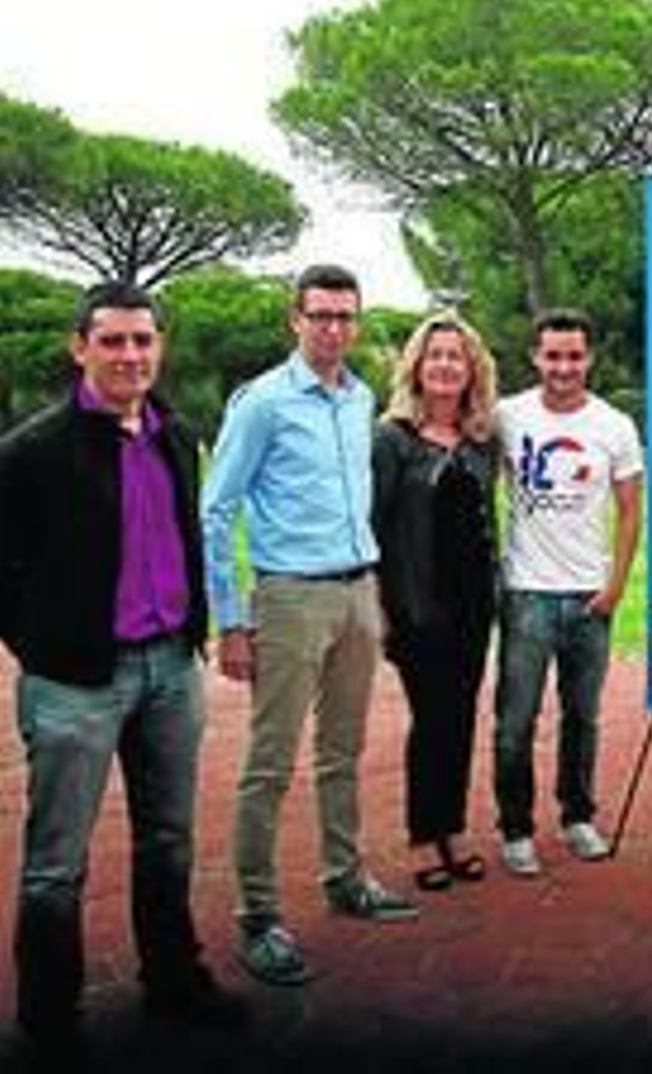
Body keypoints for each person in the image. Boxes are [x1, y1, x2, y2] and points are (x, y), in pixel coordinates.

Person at [0, 282, 246, 1054]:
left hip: (172, 669)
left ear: (159, 346)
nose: (130, 355)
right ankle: (49, 1019)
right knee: (55, 866)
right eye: (112, 341)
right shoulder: (30, 452)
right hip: (77, 682)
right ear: (80, 348)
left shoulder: (177, 435)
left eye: (143, 340)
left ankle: (173, 983)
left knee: (168, 839)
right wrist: (41, 647)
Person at [202, 263, 418, 989]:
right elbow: (215, 511)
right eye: (320, 315)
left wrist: (375, 593)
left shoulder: (360, 400)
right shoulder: (262, 403)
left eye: (345, 316)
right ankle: (258, 917)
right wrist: (231, 620)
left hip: (357, 592)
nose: (333, 328)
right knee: (271, 762)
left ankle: (345, 878)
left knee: (343, 750)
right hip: (289, 598)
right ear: (294, 319)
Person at [493, 307, 642, 874]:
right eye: (553, 355)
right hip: (526, 592)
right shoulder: (508, 415)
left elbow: (630, 512)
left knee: (582, 717)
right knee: (515, 723)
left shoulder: (614, 426)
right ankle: (516, 830)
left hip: (589, 596)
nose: (563, 367)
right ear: (535, 357)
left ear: (590, 358)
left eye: (574, 355)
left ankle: (577, 816)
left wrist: (615, 585)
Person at [373, 312, 500, 892]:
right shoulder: (391, 439)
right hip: (417, 607)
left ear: (472, 368)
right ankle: (426, 836)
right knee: (432, 721)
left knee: (462, 717)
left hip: (474, 609)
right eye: (435, 356)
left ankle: (453, 828)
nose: (446, 365)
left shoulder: (483, 441)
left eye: (456, 356)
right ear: (417, 368)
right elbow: (372, 527)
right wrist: (379, 609)